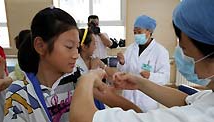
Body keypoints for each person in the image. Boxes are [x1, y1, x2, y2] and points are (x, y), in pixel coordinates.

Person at [69, 0, 214, 121]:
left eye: (185, 49)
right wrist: (135, 78)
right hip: (129, 95)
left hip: (147, 103)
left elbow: (82, 117)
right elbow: (186, 101)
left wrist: (88, 77)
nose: (183, 58)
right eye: (135, 32)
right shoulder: (207, 99)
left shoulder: (198, 116)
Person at [4, 7, 81, 122]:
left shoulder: (79, 82)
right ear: (40, 46)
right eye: (69, 47)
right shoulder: (19, 95)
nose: (76, 55)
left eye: (77, 47)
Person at [76, 28, 141, 112]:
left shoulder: (94, 59)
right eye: (94, 44)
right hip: (84, 103)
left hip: (98, 100)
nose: (95, 47)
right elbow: (88, 87)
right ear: (84, 47)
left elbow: (109, 71)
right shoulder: (76, 65)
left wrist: (120, 77)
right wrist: (93, 69)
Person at [117, 15, 170, 112]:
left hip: (147, 99)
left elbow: (165, 77)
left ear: (149, 31)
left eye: (139, 32)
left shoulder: (161, 51)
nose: (136, 35)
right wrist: (122, 63)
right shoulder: (130, 49)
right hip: (129, 96)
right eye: (134, 32)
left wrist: (150, 76)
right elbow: (123, 71)